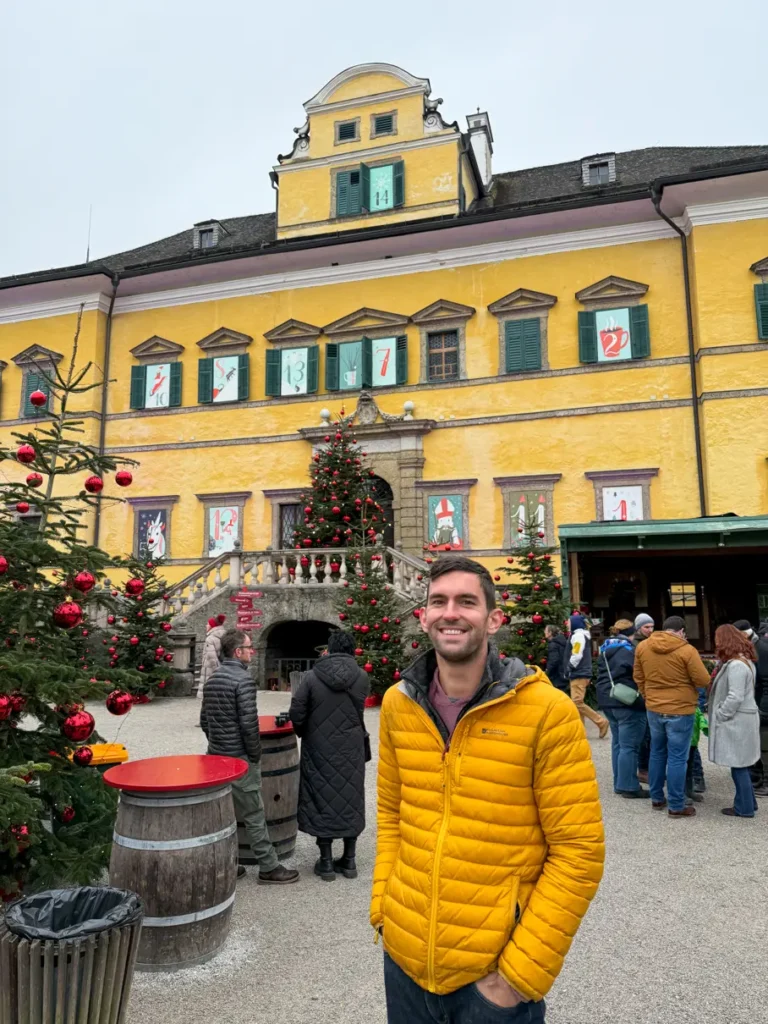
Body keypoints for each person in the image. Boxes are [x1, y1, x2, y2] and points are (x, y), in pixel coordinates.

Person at [371, 554, 604, 1023]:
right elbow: (393, 814)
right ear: (423, 617)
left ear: (494, 619)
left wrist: (515, 980)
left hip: (492, 979)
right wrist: (384, 910)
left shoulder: (545, 710)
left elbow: (579, 851)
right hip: (405, 961)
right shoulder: (399, 703)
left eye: (466, 602)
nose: (450, 612)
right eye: (438, 601)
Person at [201, 628, 299, 884]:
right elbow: (248, 724)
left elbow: (204, 721)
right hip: (240, 758)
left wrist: (217, 744)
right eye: (248, 647)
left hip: (216, 757)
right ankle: (268, 866)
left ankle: (230, 864)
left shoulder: (213, 680)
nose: (252, 652)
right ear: (238, 652)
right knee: (254, 814)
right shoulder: (243, 681)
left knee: (224, 815)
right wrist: (255, 755)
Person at [289, 630, 369, 881]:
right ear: (352, 650)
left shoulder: (312, 678)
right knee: (350, 796)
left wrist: (305, 732)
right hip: (351, 746)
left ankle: (325, 862)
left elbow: (297, 712)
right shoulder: (362, 676)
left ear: (329, 649)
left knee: (321, 796)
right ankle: (350, 860)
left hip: (319, 746)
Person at [633, 615, 711, 818]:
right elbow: (703, 679)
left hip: (654, 707)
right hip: (681, 708)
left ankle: (657, 798)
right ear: (682, 631)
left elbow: (638, 676)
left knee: (657, 752)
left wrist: (648, 695)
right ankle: (676, 804)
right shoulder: (687, 650)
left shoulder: (643, 647)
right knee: (678, 757)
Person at [708, 624, 760, 817]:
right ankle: (749, 803)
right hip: (743, 719)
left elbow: (735, 696)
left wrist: (721, 714)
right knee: (742, 764)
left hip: (737, 721)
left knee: (738, 766)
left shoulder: (736, 665)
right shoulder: (744, 661)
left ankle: (744, 808)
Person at [595, 619, 648, 798]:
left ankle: (620, 781)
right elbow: (638, 673)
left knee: (618, 743)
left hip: (607, 697)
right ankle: (628, 786)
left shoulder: (605, 648)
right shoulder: (629, 650)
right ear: (632, 632)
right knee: (629, 746)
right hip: (625, 699)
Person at [734, 619, 768, 796]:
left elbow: (765, 680)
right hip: (756, 701)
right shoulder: (752, 646)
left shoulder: (760, 648)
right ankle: (758, 778)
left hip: (762, 703)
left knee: (763, 744)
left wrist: (763, 708)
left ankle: (764, 781)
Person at [567, 613, 609, 738]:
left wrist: (570, 665)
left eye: (569, 622)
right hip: (582, 672)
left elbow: (577, 654)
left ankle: (600, 721)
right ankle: (580, 730)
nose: (567, 625)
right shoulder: (581, 635)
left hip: (579, 672)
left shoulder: (578, 636)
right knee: (577, 702)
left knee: (577, 702)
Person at [633, 614, 655, 783]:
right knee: (644, 735)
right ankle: (643, 768)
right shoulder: (635, 645)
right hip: (642, 693)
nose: (650, 630)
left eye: (651, 627)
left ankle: (650, 766)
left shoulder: (652, 643)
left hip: (652, 691)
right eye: (646, 627)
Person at [197, 614, 227, 700]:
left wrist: (216, 672)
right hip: (223, 668)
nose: (206, 625)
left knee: (209, 696)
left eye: (208, 624)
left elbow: (212, 658)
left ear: (212, 626)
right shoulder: (225, 636)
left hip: (211, 671)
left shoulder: (210, 639)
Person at [543, 624, 569, 692]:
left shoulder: (553, 644)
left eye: (546, 630)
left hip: (556, 676)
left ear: (550, 633)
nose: (544, 632)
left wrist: (547, 672)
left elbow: (553, 660)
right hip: (563, 674)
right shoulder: (562, 642)